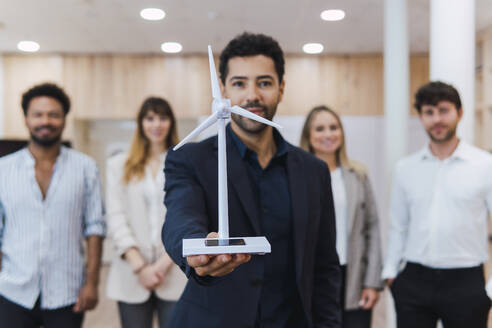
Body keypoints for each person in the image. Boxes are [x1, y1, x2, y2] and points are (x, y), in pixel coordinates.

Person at [162, 32, 342, 328]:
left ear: (281, 88)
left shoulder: (313, 171)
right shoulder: (190, 160)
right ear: (222, 90)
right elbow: (180, 216)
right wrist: (196, 248)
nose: (252, 96)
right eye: (239, 83)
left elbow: (325, 265)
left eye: (264, 82)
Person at [382, 81, 492, 328]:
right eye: (429, 112)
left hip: (466, 280)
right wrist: (390, 273)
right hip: (414, 280)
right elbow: (398, 226)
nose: (436, 119)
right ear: (420, 116)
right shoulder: (405, 168)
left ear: (459, 113)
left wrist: (490, 289)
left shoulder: (485, 165)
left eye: (444, 110)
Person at [0, 83, 106, 328]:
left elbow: (95, 228)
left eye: (53, 114)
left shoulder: (86, 168)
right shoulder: (3, 170)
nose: (45, 121)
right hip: (12, 290)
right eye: (37, 114)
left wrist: (92, 283)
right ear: (26, 119)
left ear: (64, 119)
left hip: (67, 292)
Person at [105, 97, 187, 328]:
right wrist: (140, 267)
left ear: (171, 122)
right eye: (150, 118)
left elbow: (187, 217)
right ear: (140, 123)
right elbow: (116, 217)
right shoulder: (118, 165)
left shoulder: (184, 163)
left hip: (174, 270)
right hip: (131, 272)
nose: (156, 124)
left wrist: (162, 265)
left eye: (163, 117)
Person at [300, 105, 383, 328]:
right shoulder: (298, 177)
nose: (328, 134)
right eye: (320, 129)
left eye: (333, 127)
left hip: (353, 275)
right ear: (308, 135)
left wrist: (372, 282)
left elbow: (372, 229)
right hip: (314, 275)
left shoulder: (359, 175)